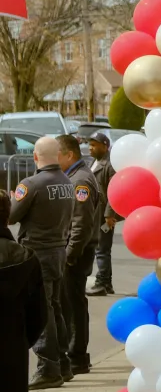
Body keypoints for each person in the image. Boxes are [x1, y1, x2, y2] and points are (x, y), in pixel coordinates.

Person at [9, 136, 74, 389]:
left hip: (37, 253)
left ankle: (48, 368)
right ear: (58, 155)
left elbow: (12, 215)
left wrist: (15, 196)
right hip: (58, 250)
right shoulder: (67, 182)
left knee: (41, 310)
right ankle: (62, 363)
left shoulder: (31, 184)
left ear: (35, 157)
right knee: (55, 308)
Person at [0, 191, 48, 392]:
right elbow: (39, 314)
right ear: (7, 218)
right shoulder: (27, 257)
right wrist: (19, 342)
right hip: (11, 349)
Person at [55, 134, 100, 376]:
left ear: (69, 155)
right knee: (73, 304)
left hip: (77, 253)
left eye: (57, 155)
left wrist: (69, 255)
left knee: (72, 305)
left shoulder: (80, 181)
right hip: (76, 251)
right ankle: (77, 355)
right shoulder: (74, 176)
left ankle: (77, 356)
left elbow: (81, 224)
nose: (54, 160)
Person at [86, 132, 117, 297]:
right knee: (101, 248)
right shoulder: (95, 162)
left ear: (105, 146)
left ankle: (102, 283)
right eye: (90, 145)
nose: (91, 148)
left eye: (94, 145)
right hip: (95, 211)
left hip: (104, 214)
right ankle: (107, 283)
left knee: (102, 249)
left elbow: (114, 191)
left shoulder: (110, 165)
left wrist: (109, 214)